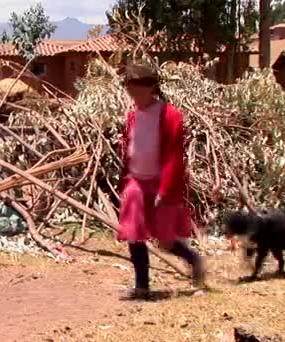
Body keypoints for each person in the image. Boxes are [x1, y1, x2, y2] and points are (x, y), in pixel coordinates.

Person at [117, 62, 206, 299]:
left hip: (161, 183)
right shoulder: (133, 116)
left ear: (152, 87)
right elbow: (131, 148)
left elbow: (174, 155)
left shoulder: (170, 115)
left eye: (138, 90)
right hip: (136, 180)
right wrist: (125, 180)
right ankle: (142, 286)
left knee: (165, 240)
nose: (134, 95)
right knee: (134, 232)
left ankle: (195, 262)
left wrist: (165, 189)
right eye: (131, 90)